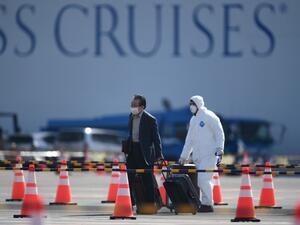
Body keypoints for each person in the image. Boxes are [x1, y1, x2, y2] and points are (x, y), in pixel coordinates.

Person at [179, 95, 225, 212]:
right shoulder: (193, 120)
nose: (191, 107)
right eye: (190, 104)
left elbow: (219, 133)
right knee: (202, 180)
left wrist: (220, 149)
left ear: (198, 104)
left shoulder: (210, 116)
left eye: (193, 104)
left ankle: (208, 204)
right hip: (198, 156)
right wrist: (184, 156)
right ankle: (204, 203)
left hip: (209, 155)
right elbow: (189, 140)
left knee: (203, 180)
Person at [126, 94, 164, 208]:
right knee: (129, 177)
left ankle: (150, 204)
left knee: (147, 179)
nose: (132, 107)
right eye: (131, 105)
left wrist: (159, 155)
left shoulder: (150, 119)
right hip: (132, 150)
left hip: (145, 153)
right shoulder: (131, 116)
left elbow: (156, 139)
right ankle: (130, 202)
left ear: (142, 107)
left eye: (135, 105)